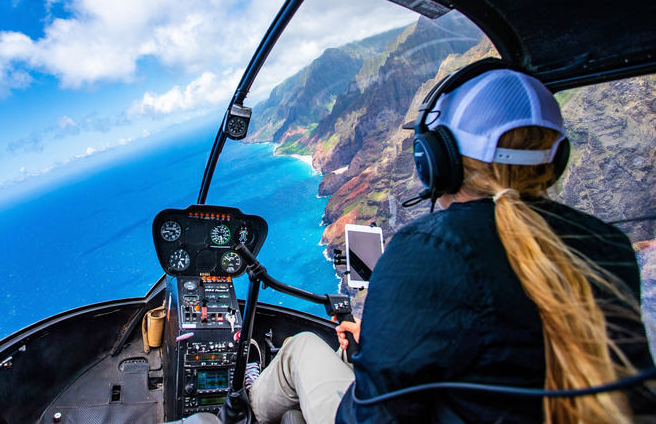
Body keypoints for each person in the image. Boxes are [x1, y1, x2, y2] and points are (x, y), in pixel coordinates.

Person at [247, 62, 655, 423]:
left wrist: (369, 352)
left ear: (437, 161)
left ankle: (244, 408)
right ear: (556, 160)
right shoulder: (608, 245)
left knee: (299, 351)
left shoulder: (425, 252)